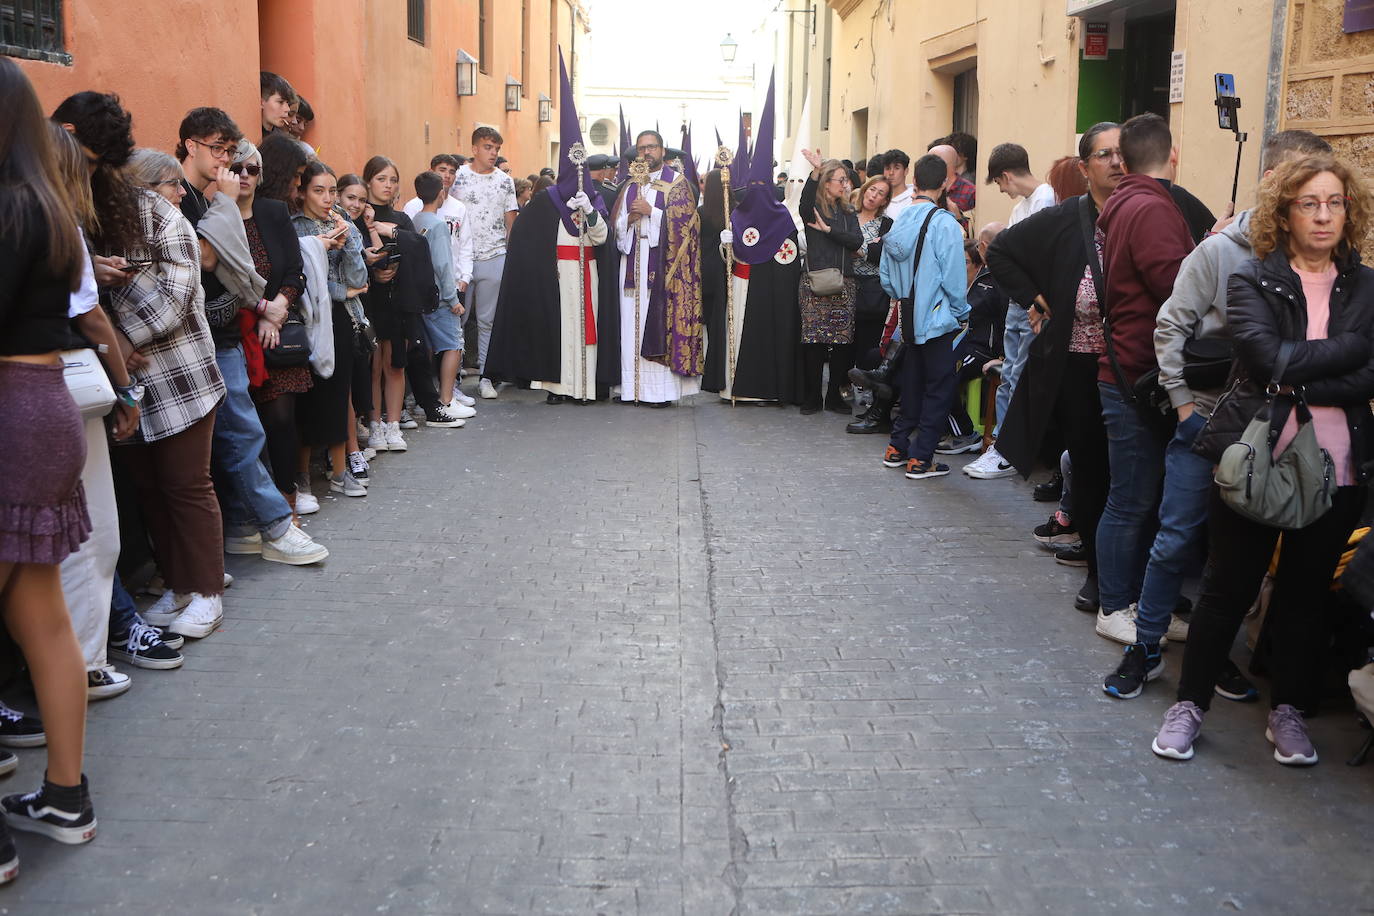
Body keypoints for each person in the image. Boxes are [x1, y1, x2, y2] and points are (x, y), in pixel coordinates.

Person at [1152, 153, 1374, 765]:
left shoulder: (1367, 286)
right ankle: (1190, 704)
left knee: (1306, 597)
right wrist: (1347, 352)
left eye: (1336, 202)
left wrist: (1312, 370)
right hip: (1259, 461)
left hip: (1339, 468)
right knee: (1227, 590)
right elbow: (1264, 357)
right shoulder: (1252, 278)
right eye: (1310, 202)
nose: (1324, 215)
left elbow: (1365, 375)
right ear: (1285, 210)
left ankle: (1289, 713)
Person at [1104, 129, 1334, 700]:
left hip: (1283, 428)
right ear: (1273, 182)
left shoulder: (1323, 256)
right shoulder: (1222, 249)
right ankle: (1147, 645)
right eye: (1304, 191)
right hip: (1209, 418)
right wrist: (1183, 409)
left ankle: (1212, 657)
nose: (1317, 206)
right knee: (1177, 536)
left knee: (1237, 559)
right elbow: (1171, 326)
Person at [54, 90, 229, 641]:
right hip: (127, 381)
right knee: (152, 489)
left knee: (186, 485)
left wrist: (116, 341)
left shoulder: (158, 215)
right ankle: (180, 587)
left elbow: (179, 295)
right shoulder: (88, 218)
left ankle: (206, 593)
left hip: (178, 377)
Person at [0, 60, 99, 869]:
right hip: (48, 406)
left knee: (43, 617)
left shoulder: (5, 210)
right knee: (44, 618)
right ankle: (64, 795)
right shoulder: (50, 208)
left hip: (8, 413)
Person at [176, 113, 328, 560]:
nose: (231, 167)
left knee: (243, 431)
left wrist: (274, 305)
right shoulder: (192, 199)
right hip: (211, 333)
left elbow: (276, 269)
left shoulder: (212, 200)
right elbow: (208, 259)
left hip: (232, 330)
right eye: (221, 152)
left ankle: (247, 523)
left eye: (238, 158)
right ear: (191, 145)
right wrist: (260, 305)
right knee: (240, 432)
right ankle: (274, 525)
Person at [985, 122, 1122, 614]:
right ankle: (1098, 569)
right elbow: (1000, 253)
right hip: (1082, 368)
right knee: (1089, 467)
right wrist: (1035, 299)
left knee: (1131, 474)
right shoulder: (1067, 217)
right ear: (1084, 168)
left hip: (1136, 368)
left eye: (1122, 152)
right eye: (1104, 154)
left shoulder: (1154, 210)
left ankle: (1130, 574)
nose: (1116, 161)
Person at [1092, 113, 1196, 645]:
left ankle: (1141, 601)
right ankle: (1115, 606)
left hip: (1129, 369)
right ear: (1171, 155)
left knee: (1141, 497)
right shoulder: (1151, 207)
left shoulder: (1122, 203)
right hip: (1137, 371)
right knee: (1132, 499)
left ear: (1125, 160)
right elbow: (1178, 288)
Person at [50, 125, 145, 698]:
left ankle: (81, 661)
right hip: (53, 392)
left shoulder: (53, 225)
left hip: (58, 396)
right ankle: (72, 666)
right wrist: (125, 386)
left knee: (91, 536)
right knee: (78, 538)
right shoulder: (50, 223)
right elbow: (88, 317)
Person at [964, 142, 1057, 480]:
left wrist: (1037, 303)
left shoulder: (1045, 200)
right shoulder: (1023, 208)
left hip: (1031, 303)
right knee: (1009, 375)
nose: (1002, 191)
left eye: (999, 184)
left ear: (1005, 176)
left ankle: (1008, 448)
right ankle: (1002, 443)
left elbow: (1037, 257)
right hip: (1019, 302)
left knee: (1018, 375)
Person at [878, 153, 968, 479]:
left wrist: (904, 295)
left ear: (914, 181)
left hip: (908, 316)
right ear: (944, 183)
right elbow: (955, 278)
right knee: (939, 389)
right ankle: (921, 458)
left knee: (912, 385)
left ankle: (897, 447)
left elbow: (886, 277)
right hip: (938, 319)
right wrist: (962, 311)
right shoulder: (945, 223)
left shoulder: (897, 220)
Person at [294, 159, 374, 496]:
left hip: (342, 320)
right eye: (319, 191)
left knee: (340, 393)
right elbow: (304, 281)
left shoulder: (344, 225)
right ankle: (301, 477)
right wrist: (342, 291)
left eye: (331, 191)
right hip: (309, 317)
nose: (328, 199)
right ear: (302, 193)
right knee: (307, 395)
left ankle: (341, 471)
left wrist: (350, 241)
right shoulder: (296, 228)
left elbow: (360, 278)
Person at [611, 130, 704, 406]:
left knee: (656, 324)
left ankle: (659, 393)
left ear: (663, 151)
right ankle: (631, 389)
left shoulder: (677, 184)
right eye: (641, 149)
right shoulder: (629, 186)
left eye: (651, 147)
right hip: (631, 261)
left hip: (664, 270)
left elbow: (689, 227)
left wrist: (653, 213)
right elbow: (616, 226)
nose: (646, 153)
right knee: (629, 327)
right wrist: (629, 219)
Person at [402, 154, 476, 418]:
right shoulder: (438, 225)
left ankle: (433, 397)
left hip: (421, 293)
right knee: (453, 345)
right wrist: (452, 298)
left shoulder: (416, 219)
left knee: (430, 347)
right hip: (440, 295)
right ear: (441, 194)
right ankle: (446, 398)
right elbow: (444, 266)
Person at [451, 127, 518, 399]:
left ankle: (486, 376)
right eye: (488, 147)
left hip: (495, 255)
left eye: (497, 149)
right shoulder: (458, 177)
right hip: (462, 258)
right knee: (458, 318)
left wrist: (510, 253)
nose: (493, 153)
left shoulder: (505, 181)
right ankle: (451, 379)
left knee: (488, 320)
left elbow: (511, 218)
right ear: (475, 148)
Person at [797, 150, 862, 414]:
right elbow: (803, 204)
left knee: (842, 342)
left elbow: (856, 241)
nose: (845, 184)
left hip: (844, 283)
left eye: (846, 180)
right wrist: (815, 171)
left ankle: (834, 395)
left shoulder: (847, 211)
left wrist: (829, 231)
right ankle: (813, 396)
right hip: (815, 282)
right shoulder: (813, 209)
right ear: (826, 183)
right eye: (840, 179)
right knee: (813, 341)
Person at [940, 222, 1009, 453]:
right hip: (962, 343)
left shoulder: (997, 279)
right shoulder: (968, 280)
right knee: (927, 365)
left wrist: (1003, 356)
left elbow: (1007, 321)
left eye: (966, 261)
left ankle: (966, 434)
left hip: (981, 350)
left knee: (943, 375)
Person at [843, 175, 895, 434]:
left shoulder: (886, 224)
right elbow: (841, 247)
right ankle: (845, 387)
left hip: (873, 290)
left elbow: (879, 255)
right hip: (844, 283)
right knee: (844, 340)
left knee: (869, 341)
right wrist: (867, 247)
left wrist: (860, 249)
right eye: (872, 189)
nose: (873, 195)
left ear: (885, 200)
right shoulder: (848, 216)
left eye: (881, 193)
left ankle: (868, 392)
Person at [880, 149, 914, 222]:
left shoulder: (913, 199)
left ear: (906, 171)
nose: (891, 173)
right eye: (888, 168)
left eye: (897, 168)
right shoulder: (879, 197)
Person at [260, 71, 295, 138]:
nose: (287, 109)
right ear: (262, 102)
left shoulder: (283, 139)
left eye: (287, 103)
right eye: (280, 102)